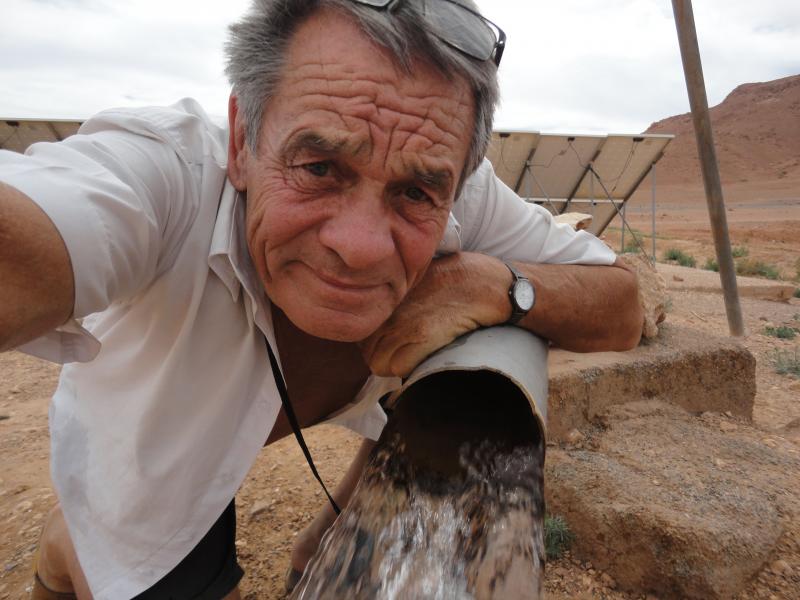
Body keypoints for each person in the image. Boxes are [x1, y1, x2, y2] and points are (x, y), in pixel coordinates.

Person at [0, 0, 643, 598]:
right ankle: (62, 554)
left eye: (416, 194)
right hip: (148, 461)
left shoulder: (448, 178)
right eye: (319, 168)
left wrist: (495, 286)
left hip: (246, 434)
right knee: (116, 553)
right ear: (242, 142)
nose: (360, 246)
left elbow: (622, 302)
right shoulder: (161, 175)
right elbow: (30, 239)